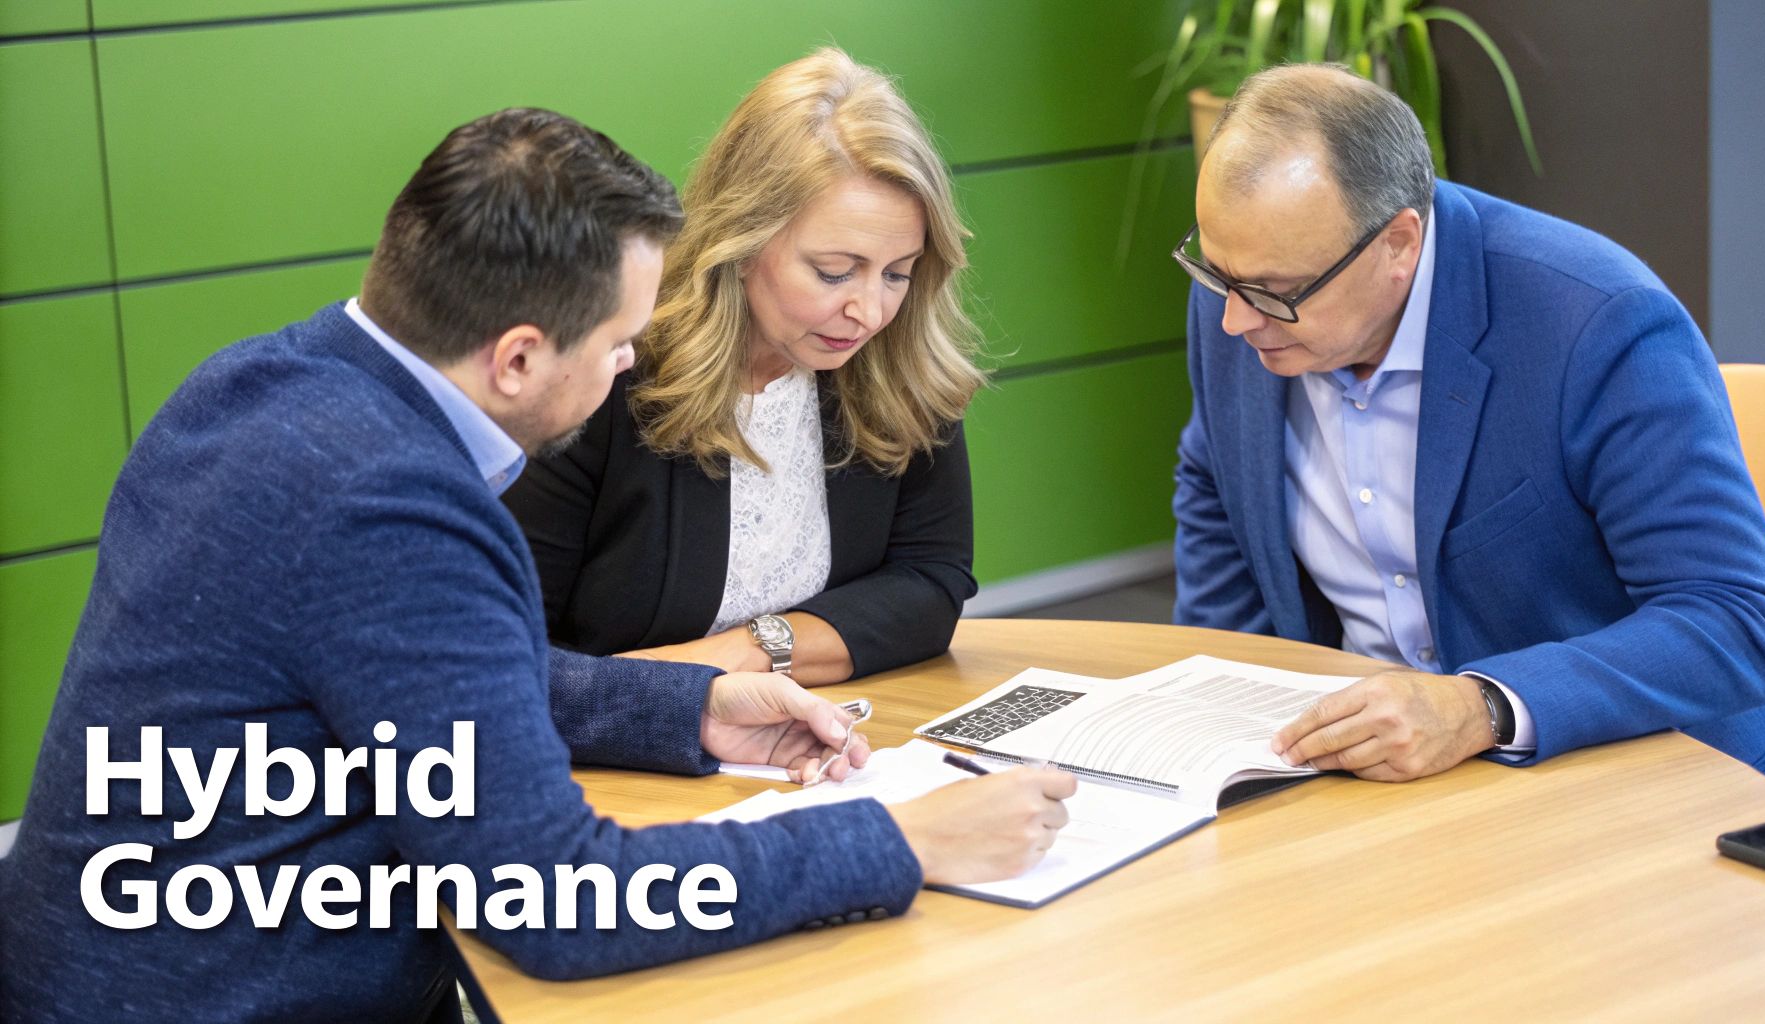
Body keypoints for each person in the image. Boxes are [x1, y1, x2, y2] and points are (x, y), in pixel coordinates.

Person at [0, 108, 1075, 1023]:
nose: (628, 366)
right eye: (619, 345)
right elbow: (557, 900)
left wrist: (681, 706)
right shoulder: (397, 508)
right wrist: (897, 840)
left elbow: (411, 677)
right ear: (518, 355)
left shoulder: (259, 386)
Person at [1171, 64, 1765, 798]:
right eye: (1217, 276)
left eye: (1274, 292)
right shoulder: (1250, 295)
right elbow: (1219, 477)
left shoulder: (1594, 323)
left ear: (1399, 245)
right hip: (1392, 785)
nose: (1235, 319)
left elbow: (1735, 624)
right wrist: (1224, 710)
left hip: (1666, 775)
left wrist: (1482, 707)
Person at [504, 48, 985, 685]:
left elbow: (930, 584)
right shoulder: (602, 372)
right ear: (740, 241)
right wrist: (677, 701)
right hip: (606, 762)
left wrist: (752, 651)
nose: (869, 312)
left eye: (898, 273)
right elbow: (506, 646)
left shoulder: (899, 363)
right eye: (834, 271)